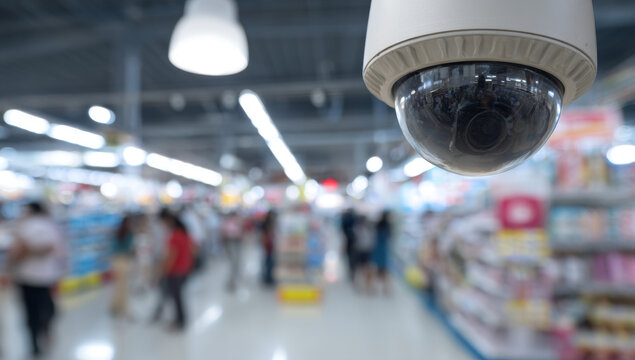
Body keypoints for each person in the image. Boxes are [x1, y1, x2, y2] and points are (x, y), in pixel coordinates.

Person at [8, 202, 65, 357]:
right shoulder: (52, 226)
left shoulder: (25, 226)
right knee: (46, 308)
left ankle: (35, 343)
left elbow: (18, 251)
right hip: (45, 277)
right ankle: (44, 332)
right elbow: (55, 249)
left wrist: (22, 255)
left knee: (31, 312)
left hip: (28, 277)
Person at [155, 210, 193, 330]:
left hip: (176, 271)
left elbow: (171, 257)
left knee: (177, 298)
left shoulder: (175, 236)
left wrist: (162, 271)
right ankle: (179, 319)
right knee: (178, 297)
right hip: (184, 269)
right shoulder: (184, 233)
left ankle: (180, 321)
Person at [110, 214, 136, 317]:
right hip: (124, 261)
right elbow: (130, 248)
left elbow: (113, 247)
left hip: (115, 261)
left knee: (117, 286)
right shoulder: (129, 233)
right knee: (124, 287)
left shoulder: (118, 231)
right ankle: (123, 308)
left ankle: (115, 306)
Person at [221, 211, 243, 292]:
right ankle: (231, 281)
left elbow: (240, 232)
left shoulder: (237, 221)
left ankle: (234, 279)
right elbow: (224, 233)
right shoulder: (226, 222)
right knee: (232, 262)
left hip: (236, 242)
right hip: (230, 242)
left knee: (235, 262)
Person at [354, 216, 375, 293]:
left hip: (361, 250)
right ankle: (364, 285)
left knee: (362, 269)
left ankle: (362, 285)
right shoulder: (368, 230)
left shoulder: (358, 229)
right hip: (365, 250)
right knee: (364, 269)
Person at [373, 210, 392, 294]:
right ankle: (385, 288)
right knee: (385, 268)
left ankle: (375, 286)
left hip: (378, 248)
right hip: (384, 248)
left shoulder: (377, 225)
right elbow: (390, 237)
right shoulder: (388, 226)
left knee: (377, 268)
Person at [340, 208, 357, 282]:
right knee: (353, 260)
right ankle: (353, 273)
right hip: (356, 245)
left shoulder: (346, 223)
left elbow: (344, 235)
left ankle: (352, 273)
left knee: (350, 260)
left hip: (351, 244)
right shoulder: (356, 222)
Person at [260, 210, 277, 287]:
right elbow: (263, 237)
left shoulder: (272, 225)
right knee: (268, 262)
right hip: (267, 247)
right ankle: (267, 278)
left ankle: (269, 277)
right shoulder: (266, 225)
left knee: (270, 262)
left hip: (270, 246)